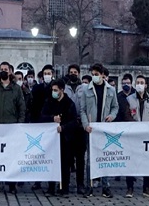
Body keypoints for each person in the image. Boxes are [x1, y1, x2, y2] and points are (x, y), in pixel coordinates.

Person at [0, 61, 25, 194]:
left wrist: (19, 124)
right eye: (1, 69)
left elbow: (21, 108)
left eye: (6, 69)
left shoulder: (16, 89)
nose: (3, 71)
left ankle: (12, 185)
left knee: (11, 158)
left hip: (11, 128)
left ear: (10, 71)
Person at [80, 63, 118, 198]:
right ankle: (89, 185)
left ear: (103, 75)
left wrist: (111, 116)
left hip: (104, 128)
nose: (94, 77)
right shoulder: (87, 90)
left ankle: (105, 186)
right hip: (91, 128)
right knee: (90, 159)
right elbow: (83, 110)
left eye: (96, 74)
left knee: (105, 157)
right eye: (93, 74)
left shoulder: (111, 90)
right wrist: (85, 124)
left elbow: (115, 107)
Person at [41, 79, 77, 197]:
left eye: (56, 90)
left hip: (65, 138)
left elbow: (74, 121)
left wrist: (64, 127)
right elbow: (42, 116)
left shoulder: (69, 103)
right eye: (53, 90)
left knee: (65, 163)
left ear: (62, 90)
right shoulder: (49, 101)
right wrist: (52, 118)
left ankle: (64, 188)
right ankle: (51, 188)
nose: (54, 92)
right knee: (51, 162)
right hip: (51, 139)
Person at [124, 75, 149, 198]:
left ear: (146, 85)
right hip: (133, 135)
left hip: (148, 136)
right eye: (137, 82)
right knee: (130, 161)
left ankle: (147, 187)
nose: (140, 85)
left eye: (142, 82)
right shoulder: (129, 99)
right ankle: (130, 188)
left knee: (148, 162)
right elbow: (127, 115)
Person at [30, 64, 54, 191]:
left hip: (51, 124)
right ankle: (37, 181)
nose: (47, 76)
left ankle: (51, 183)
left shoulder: (55, 88)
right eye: (45, 74)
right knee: (37, 154)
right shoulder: (37, 88)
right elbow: (33, 105)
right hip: (38, 123)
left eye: (49, 73)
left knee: (51, 154)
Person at [63, 64, 86, 194]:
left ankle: (80, 184)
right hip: (68, 126)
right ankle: (65, 184)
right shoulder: (64, 88)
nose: (73, 74)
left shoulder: (84, 88)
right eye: (71, 72)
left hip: (80, 126)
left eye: (75, 72)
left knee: (80, 158)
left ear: (78, 73)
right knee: (67, 157)